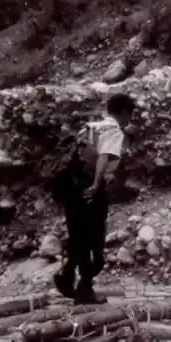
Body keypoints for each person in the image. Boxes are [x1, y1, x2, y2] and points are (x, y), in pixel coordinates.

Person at [52, 93, 136, 305]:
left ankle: (68, 275)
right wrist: (96, 184)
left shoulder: (89, 127)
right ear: (125, 112)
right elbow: (104, 156)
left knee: (78, 236)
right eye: (130, 115)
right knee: (96, 240)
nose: (130, 120)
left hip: (70, 188)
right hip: (89, 188)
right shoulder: (114, 130)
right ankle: (84, 288)